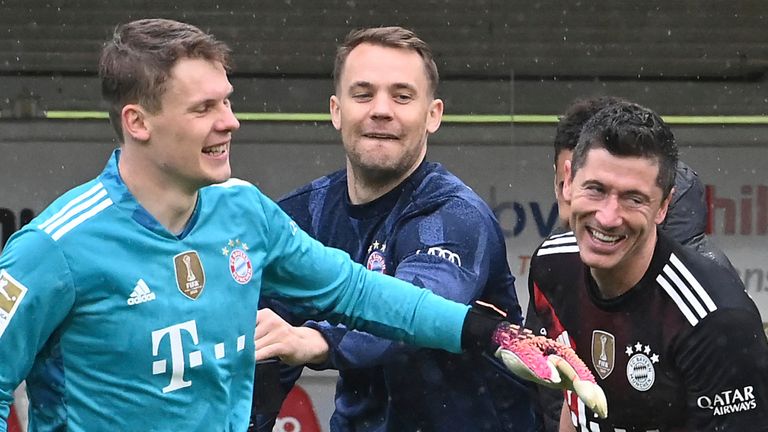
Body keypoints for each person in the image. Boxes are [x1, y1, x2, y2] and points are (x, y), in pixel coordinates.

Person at [0, 18, 582, 431]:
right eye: (204, 109)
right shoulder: (52, 249)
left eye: (227, 101)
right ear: (138, 122)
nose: (230, 122)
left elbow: (358, 291)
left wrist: (488, 332)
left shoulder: (245, 212)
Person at [252, 26, 541, 432]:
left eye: (402, 96)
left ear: (433, 115)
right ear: (336, 110)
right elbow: (264, 351)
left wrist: (317, 341)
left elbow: (414, 315)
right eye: (363, 94)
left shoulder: (453, 214)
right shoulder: (302, 216)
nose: (381, 109)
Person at [528, 101, 768, 431]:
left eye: (633, 198)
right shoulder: (552, 265)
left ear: (663, 206)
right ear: (567, 182)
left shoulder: (716, 321)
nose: (608, 218)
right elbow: (574, 398)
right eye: (596, 189)